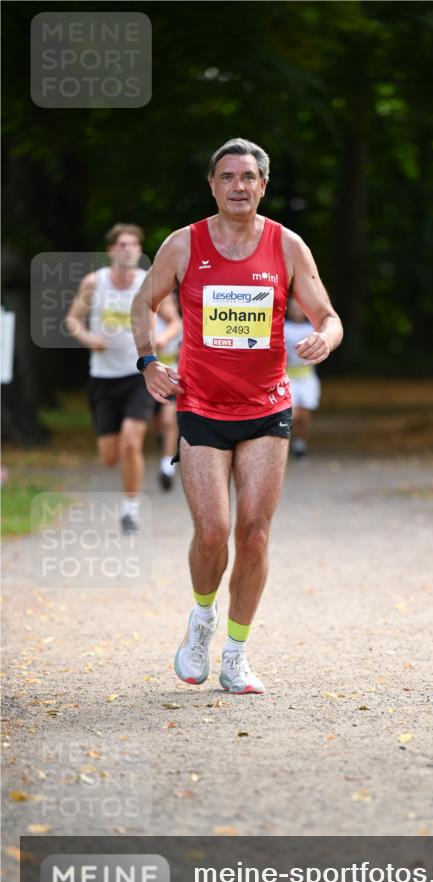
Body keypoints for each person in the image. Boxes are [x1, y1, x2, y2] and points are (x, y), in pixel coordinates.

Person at [131, 137, 343, 694]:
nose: (238, 186)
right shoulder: (184, 244)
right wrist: (149, 361)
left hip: (267, 406)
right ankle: (202, 620)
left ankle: (237, 653)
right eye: (227, 177)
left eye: (248, 177)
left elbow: (329, 314)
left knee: (253, 532)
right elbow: (143, 303)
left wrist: (325, 338)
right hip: (201, 405)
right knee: (213, 531)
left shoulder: (287, 245)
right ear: (212, 184)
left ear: (263, 185)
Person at [66, 224, 180, 532]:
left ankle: (129, 509)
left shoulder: (148, 283)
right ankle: (127, 487)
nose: (128, 249)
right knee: (109, 455)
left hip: (137, 375)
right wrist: (90, 339)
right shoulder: (94, 283)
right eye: (122, 244)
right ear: (110, 250)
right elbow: (73, 320)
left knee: (132, 442)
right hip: (103, 377)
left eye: (134, 245)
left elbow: (174, 322)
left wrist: (159, 342)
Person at [284, 297, 322, 458]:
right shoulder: (283, 328)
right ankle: (284, 445)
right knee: (293, 414)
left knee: (305, 413)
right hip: (289, 377)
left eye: (299, 308)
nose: (296, 311)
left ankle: (300, 444)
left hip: (307, 377)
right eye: (293, 308)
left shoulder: (311, 329)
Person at [153, 291, 182, 491]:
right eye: (166, 302)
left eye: (173, 302)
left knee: (169, 420)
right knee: (156, 425)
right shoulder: (147, 322)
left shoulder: (183, 324)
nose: (170, 305)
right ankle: (161, 438)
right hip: (146, 381)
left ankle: (167, 468)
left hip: (171, 379)